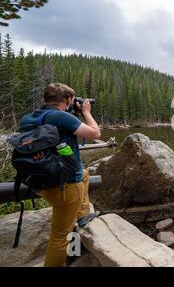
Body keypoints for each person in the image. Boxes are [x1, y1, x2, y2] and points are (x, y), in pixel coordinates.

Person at [19, 83, 101, 267]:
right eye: (72, 100)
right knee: (59, 237)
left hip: (40, 180)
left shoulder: (29, 118)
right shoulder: (61, 116)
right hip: (65, 185)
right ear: (66, 100)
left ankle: (82, 216)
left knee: (85, 173)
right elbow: (95, 133)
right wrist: (86, 112)